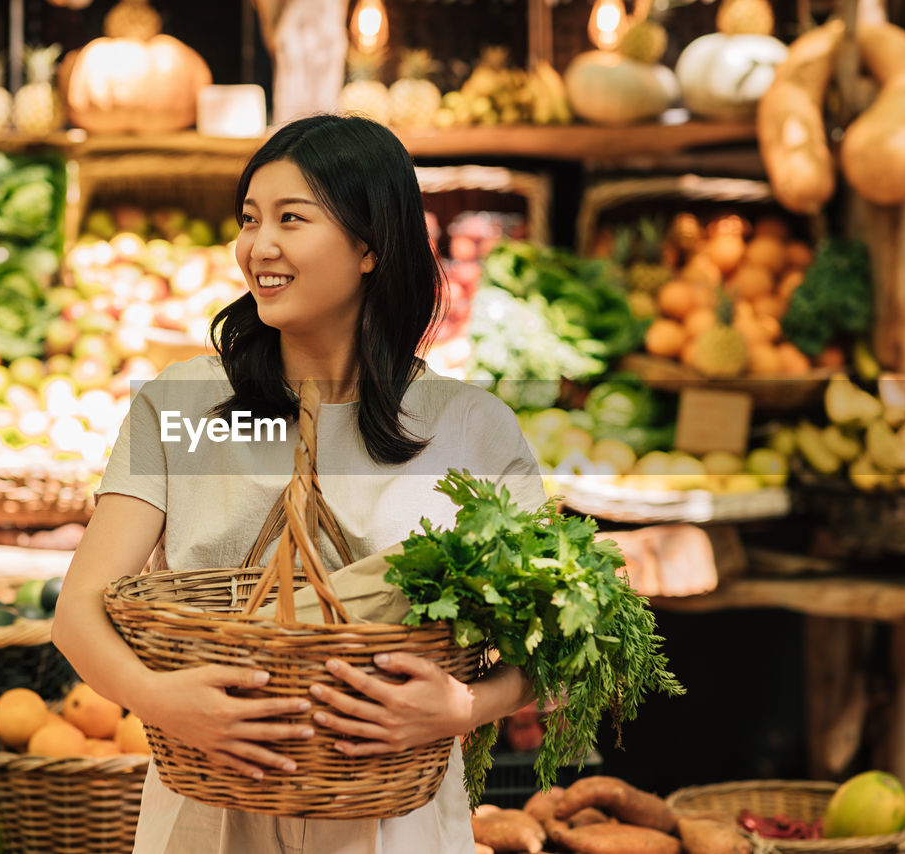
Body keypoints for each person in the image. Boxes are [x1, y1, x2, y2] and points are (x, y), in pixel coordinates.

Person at [52, 114, 546, 854]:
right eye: (250, 219)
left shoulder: (466, 427)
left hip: (394, 818)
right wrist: (158, 698)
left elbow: (556, 640)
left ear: (370, 245)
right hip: (209, 807)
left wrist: (462, 706)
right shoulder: (186, 408)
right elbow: (78, 611)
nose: (259, 246)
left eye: (292, 217)